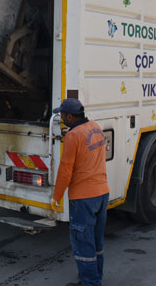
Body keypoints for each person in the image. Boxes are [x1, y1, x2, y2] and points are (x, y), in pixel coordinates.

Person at [50, 98, 109, 286]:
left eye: (61, 115)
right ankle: (95, 276)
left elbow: (65, 171)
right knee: (96, 240)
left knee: (83, 242)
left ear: (69, 116)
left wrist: (56, 197)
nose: (61, 118)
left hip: (83, 198)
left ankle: (90, 282)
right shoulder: (95, 127)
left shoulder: (73, 136)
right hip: (102, 193)